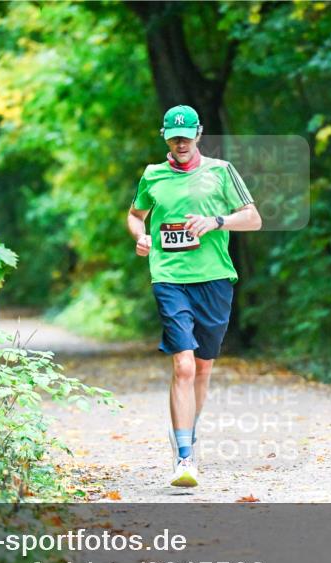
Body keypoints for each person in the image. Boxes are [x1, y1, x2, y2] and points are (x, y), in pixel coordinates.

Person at [127, 104, 262, 488]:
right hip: (168, 278)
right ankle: (185, 457)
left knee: (203, 367)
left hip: (215, 278)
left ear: (199, 134)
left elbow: (253, 218)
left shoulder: (221, 172)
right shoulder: (153, 176)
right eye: (174, 136)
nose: (181, 142)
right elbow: (136, 214)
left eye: (187, 135)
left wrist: (216, 221)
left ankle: (187, 430)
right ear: (165, 137)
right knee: (182, 366)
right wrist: (142, 236)